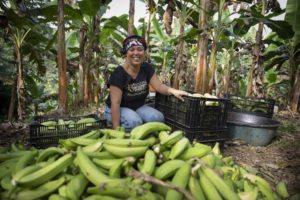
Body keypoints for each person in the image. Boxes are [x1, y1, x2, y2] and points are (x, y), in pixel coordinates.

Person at [104, 34, 188, 131]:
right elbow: (115, 103)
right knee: (134, 122)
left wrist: (173, 91)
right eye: (132, 50)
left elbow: (159, 86)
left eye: (140, 49)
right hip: (116, 109)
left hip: (137, 106)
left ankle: (141, 130)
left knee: (157, 118)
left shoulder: (146, 68)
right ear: (126, 53)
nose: (136, 53)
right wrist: (116, 128)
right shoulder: (119, 73)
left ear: (144, 52)